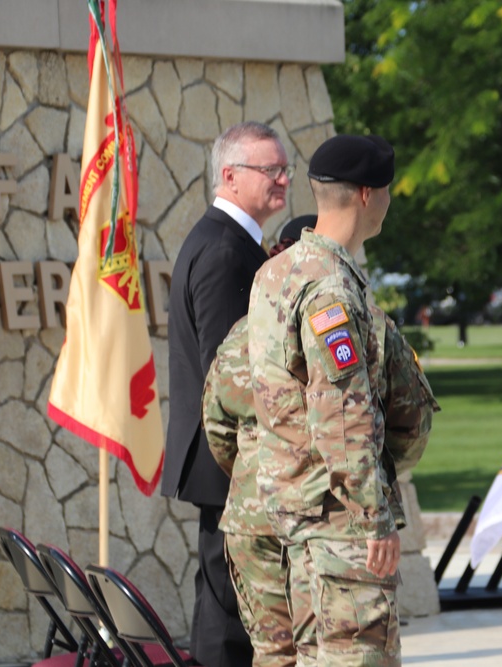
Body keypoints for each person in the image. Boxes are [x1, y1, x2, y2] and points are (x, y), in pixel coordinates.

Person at [202, 217, 438, 666]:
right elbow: (412, 420)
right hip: (329, 513)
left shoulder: (242, 333)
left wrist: (257, 473)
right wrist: (375, 480)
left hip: (255, 514)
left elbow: (216, 425)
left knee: (275, 653)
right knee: (338, 653)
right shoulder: (363, 320)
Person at [247, 134, 406, 666]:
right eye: (386, 192)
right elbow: (342, 416)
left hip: (297, 519)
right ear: (367, 195)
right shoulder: (330, 288)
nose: (387, 202)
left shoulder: (276, 271)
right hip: (340, 525)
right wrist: (373, 516)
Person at [163, 121, 292, 667]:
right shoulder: (223, 250)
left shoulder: (236, 242)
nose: (284, 179)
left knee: (226, 595)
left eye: (285, 169)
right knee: (228, 610)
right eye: (271, 170)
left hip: (227, 461)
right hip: (229, 462)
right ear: (230, 176)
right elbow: (229, 374)